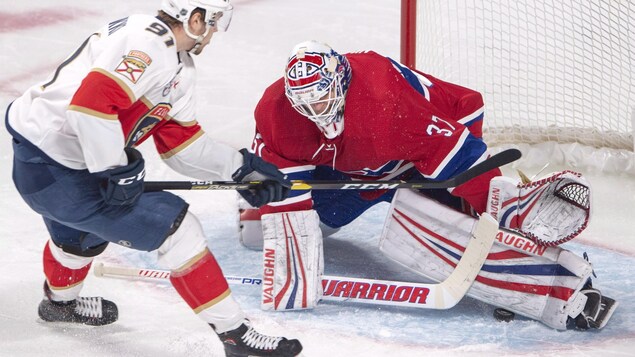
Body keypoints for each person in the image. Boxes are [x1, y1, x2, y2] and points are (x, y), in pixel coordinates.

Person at [238, 40, 617, 331]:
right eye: (305, 102)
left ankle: (557, 287)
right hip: (358, 170)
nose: (315, 110)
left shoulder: (385, 102)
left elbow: (461, 159)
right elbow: (286, 196)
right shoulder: (277, 112)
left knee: (451, 234)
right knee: (257, 232)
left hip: (421, 153)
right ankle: (501, 228)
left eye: (321, 98)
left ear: (340, 80)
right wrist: (289, 254)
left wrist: (498, 210)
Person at [5, 1, 303, 356]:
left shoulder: (178, 65)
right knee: (179, 231)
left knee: (81, 239)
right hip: (54, 167)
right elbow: (89, 107)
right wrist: (115, 169)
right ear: (195, 18)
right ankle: (236, 335)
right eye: (214, 22)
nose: (214, 32)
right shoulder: (146, 42)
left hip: (56, 167)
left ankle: (59, 305)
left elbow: (183, 148)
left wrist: (241, 169)